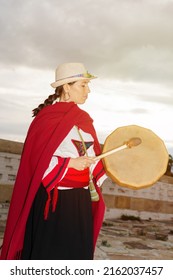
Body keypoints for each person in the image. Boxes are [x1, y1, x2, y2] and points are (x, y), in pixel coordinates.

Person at [0, 62, 107, 260]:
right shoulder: (46, 119)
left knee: (77, 256)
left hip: (80, 202)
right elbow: (37, 160)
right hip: (54, 203)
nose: (88, 90)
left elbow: (94, 160)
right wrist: (70, 164)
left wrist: (102, 164)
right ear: (67, 87)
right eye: (83, 85)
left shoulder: (84, 120)